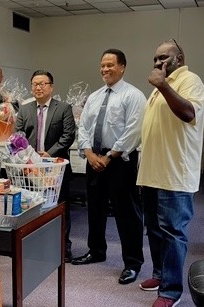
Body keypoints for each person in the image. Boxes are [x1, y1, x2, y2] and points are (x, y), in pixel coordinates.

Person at [137, 39, 204, 307]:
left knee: (173, 233)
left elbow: (188, 113)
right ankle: (160, 274)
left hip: (174, 176)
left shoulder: (190, 80)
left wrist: (163, 85)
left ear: (180, 57)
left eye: (165, 57)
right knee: (154, 230)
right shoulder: (159, 85)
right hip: (152, 173)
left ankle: (171, 290)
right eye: (156, 58)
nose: (158, 63)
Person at [72, 49, 146, 286]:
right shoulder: (94, 97)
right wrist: (90, 154)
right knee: (95, 208)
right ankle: (96, 251)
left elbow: (133, 130)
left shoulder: (133, 96)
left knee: (127, 213)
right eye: (102, 65)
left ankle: (132, 263)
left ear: (122, 67)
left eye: (110, 65)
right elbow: (83, 127)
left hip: (120, 162)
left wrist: (110, 156)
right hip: (94, 160)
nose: (105, 69)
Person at [15, 70, 76, 261]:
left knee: (60, 207)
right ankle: (37, 247)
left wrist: (49, 154)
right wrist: (31, 156)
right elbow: (18, 137)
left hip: (56, 167)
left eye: (42, 84)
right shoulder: (24, 110)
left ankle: (63, 247)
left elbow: (68, 135)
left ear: (51, 87)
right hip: (32, 168)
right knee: (33, 207)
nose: (38, 87)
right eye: (34, 84)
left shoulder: (63, 108)